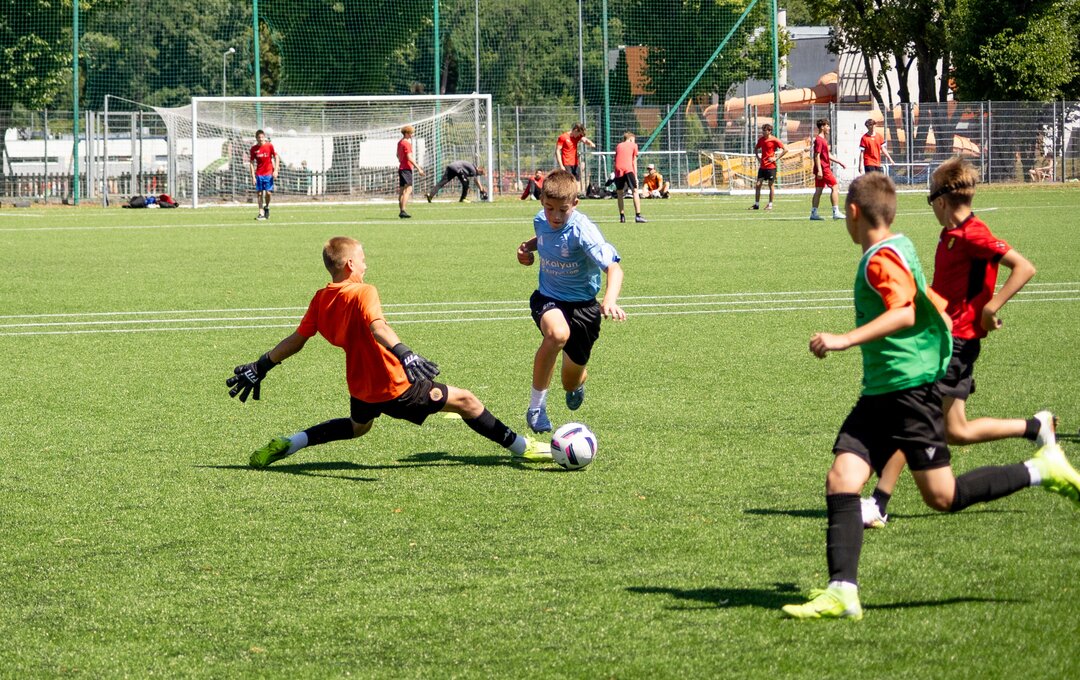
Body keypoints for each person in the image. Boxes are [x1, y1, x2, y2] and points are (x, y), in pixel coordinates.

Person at [781, 172, 1080, 621]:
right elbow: (931, 304)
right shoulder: (901, 245)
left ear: (854, 213)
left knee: (943, 496)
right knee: (842, 477)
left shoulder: (882, 260)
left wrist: (845, 339)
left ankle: (1041, 469)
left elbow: (904, 312)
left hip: (907, 393)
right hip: (882, 391)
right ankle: (842, 591)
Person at [227, 236, 551, 468]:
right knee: (467, 401)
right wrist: (405, 353)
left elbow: (297, 340)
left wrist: (262, 365)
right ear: (350, 264)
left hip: (361, 386)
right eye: (363, 259)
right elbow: (377, 327)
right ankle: (523, 447)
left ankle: (290, 443)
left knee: (358, 427)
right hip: (394, 385)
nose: (366, 264)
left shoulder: (321, 298)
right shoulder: (363, 291)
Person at [859, 157, 1056, 529]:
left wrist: (991, 307)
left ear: (941, 201)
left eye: (930, 200)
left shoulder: (972, 234)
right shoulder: (950, 235)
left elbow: (1024, 267)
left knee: (913, 418)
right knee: (955, 430)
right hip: (945, 339)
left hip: (956, 345)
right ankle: (1036, 427)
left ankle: (879, 503)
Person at [515, 170, 626, 433]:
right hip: (548, 298)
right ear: (542, 201)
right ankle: (536, 408)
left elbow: (614, 268)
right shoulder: (540, 220)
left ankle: (577, 384)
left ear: (574, 204)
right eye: (549, 208)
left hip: (584, 310)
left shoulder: (583, 231)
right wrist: (526, 249)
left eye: (562, 210)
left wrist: (609, 300)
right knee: (557, 334)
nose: (555, 216)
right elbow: (544, 237)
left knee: (570, 381)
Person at [810, 118, 845, 221]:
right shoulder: (819, 140)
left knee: (819, 190)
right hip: (823, 168)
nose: (829, 128)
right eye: (827, 126)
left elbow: (826, 154)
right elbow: (816, 155)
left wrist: (839, 161)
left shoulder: (822, 139)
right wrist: (820, 170)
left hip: (822, 168)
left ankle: (814, 213)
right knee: (835, 186)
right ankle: (836, 212)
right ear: (822, 127)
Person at [612, 131, 647, 223]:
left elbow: (615, 160)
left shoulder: (618, 145)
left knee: (620, 193)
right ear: (631, 139)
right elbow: (634, 161)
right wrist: (635, 176)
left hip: (618, 169)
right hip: (628, 169)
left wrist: (614, 173)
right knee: (635, 191)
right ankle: (638, 216)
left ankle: (622, 217)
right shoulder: (633, 145)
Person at [751, 123, 786, 210]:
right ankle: (756, 205)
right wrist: (758, 158)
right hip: (762, 167)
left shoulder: (774, 140)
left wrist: (775, 158)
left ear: (769, 131)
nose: (763, 132)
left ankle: (770, 204)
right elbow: (756, 148)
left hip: (771, 167)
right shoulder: (761, 140)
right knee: (758, 184)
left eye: (765, 131)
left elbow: (785, 150)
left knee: (771, 185)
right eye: (762, 130)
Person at [249, 129, 279, 221]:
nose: (261, 139)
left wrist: (276, 170)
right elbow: (251, 162)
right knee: (259, 193)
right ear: (256, 138)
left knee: (268, 193)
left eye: (262, 137)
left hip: (268, 173)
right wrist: (253, 176)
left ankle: (267, 207)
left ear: (264, 137)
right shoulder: (253, 149)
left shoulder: (269, 146)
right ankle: (261, 212)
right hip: (259, 174)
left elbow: (276, 157)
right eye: (259, 137)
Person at [397, 125, 425, 219]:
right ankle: (403, 210)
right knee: (408, 190)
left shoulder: (400, 142)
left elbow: (397, 155)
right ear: (406, 133)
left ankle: (401, 211)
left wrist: (401, 160)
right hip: (406, 169)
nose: (412, 135)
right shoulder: (407, 144)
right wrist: (418, 168)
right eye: (411, 133)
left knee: (402, 191)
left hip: (401, 168)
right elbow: (409, 157)